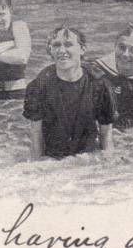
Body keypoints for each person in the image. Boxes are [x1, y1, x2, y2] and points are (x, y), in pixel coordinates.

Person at [23, 25, 116, 159]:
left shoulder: (99, 84)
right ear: (50, 50)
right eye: (56, 45)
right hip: (53, 158)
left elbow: (106, 138)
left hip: (87, 157)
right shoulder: (39, 85)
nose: (62, 50)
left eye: (68, 45)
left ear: (82, 49)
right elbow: (36, 139)